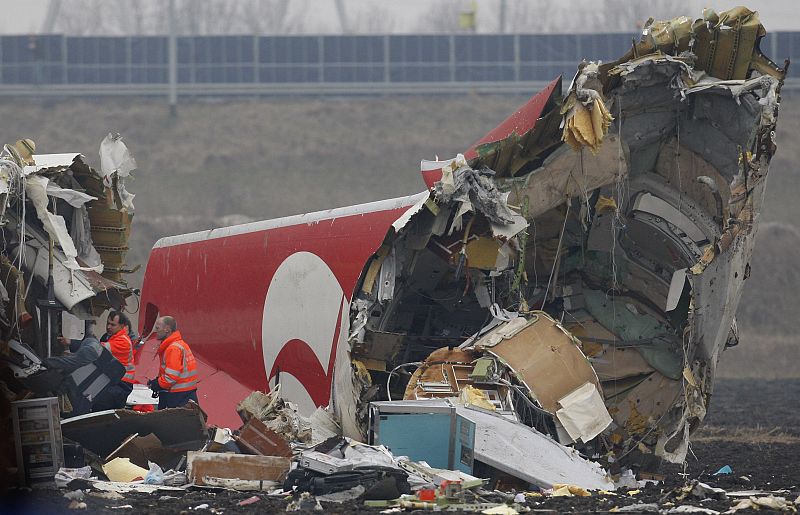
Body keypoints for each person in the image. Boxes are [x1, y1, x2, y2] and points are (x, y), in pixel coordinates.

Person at [43, 336, 104, 416]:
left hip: (74, 399)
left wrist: (45, 362)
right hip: (83, 398)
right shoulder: (95, 349)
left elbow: (68, 363)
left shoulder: (89, 351)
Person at [148, 316, 199, 409]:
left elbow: (170, 377)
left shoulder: (173, 349)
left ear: (167, 329)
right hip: (186, 395)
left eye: (158, 328)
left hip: (177, 396)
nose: (155, 331)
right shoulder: (180, 344)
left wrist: (157, 384)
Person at [91, 310, 136, 411]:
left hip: (121, 384)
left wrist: (72, 343)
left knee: (101, 407)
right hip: (114, 382)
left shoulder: (122, 341)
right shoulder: (110, 337)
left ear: (122, 326)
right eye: (108, 323)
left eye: (113, 325)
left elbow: (98, 349)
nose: (108, 327)